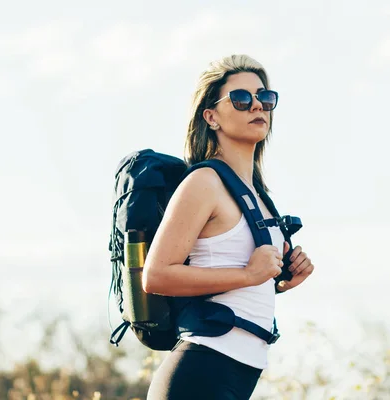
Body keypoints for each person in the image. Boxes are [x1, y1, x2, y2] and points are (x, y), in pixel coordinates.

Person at [142, 54, 315, 400]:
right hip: (200, 373)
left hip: (238, 375)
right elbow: (156, 275)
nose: (257, 107)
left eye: (265, 98)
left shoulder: (258, 196)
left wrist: (281, 281)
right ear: (212, 116)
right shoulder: (204, 183)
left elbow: (238, 283)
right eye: (241, 99)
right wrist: (250, 276)